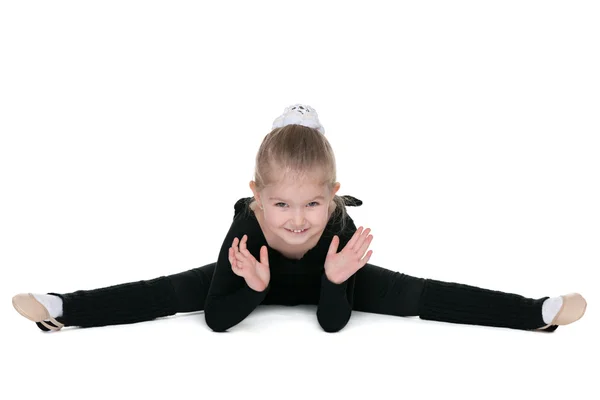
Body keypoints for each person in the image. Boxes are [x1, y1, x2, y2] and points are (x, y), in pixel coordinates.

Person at [12, 104, 587, 333]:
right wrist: (253, 288)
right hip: (250, 280)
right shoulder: (244, 228)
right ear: (255, 197)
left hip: (331, 277)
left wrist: (336, 281)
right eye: (280, 205)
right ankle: (65, 309)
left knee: (423, 294)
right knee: (165, 290)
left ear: (334, 196)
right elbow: (215, 320)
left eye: (313, 203)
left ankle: (534, 315)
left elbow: (332, 324)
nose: (296, 221)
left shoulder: (338, 231)